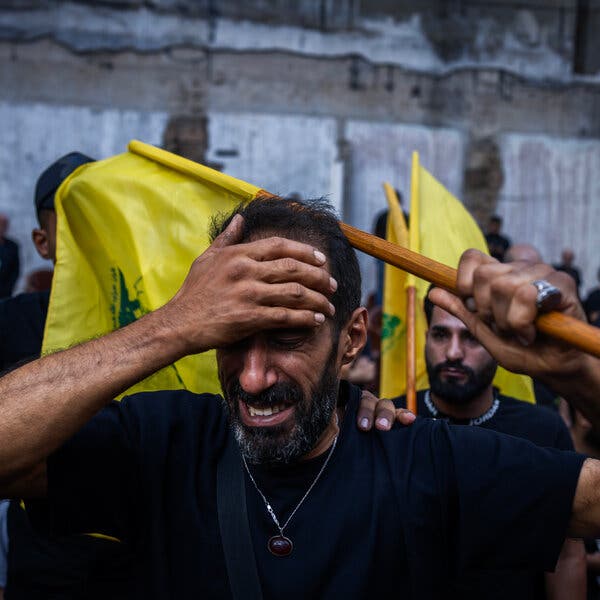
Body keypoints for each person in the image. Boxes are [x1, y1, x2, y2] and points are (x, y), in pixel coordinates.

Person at [0, 198, 600, 599]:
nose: (255, 377)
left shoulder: (425, 460)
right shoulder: (165, 445)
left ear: (352, 340)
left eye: (288, 341)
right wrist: (173, 325)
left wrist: (579, 374)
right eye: (231, 339)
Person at [396, 287, 585, 599]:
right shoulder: (392, 420)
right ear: (426, 337)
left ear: (499, 344)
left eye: (471, 337)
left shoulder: (541, 430)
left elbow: (566, 555)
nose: (454, 353)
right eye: (441, 335)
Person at [0, 214, 20, 299]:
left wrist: (7, 288)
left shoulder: (13, 246)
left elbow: (15, 270)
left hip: (5, 293)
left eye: (3, 225)